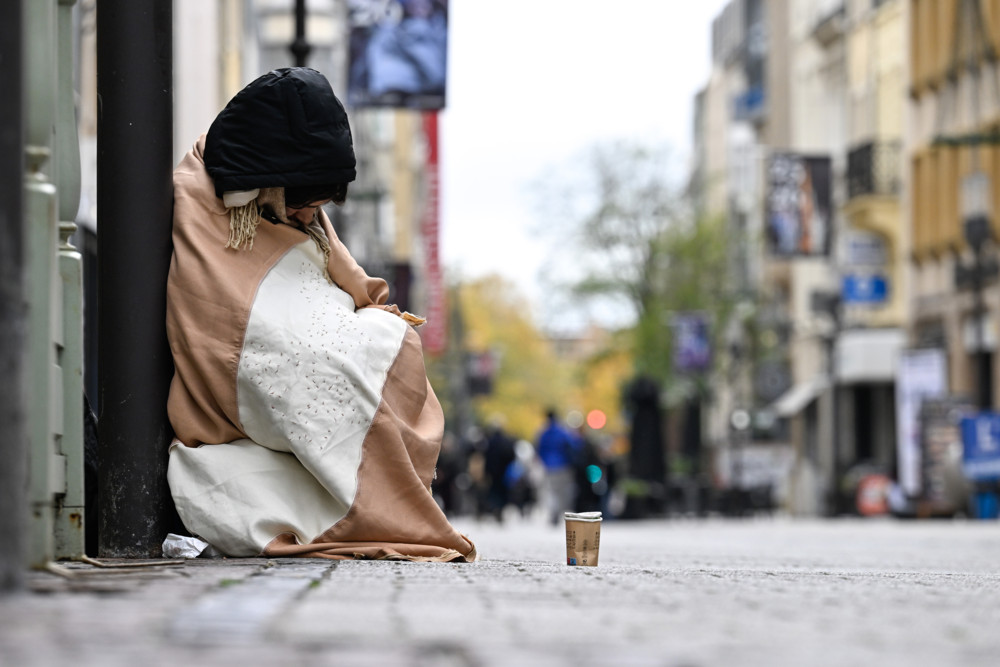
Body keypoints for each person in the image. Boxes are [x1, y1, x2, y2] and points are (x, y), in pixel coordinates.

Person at [165, 67, 476, 562]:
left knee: (387, 342)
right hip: (231, 423)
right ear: (267, 184)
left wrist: (375, 322)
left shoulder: (276, 190)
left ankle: (375, 495)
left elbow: (352, 282)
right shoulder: (208, 200)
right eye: (306, 204)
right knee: (326, 370)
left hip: (309, 344)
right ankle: (372, 503)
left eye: (320, 206)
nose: (312, 215)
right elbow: (236, 320)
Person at [534, 409, 581, 525]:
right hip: (563, 465)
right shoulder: (563, 432)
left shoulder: (544, 433)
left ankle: (553, 512)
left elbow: (539, 449)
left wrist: (544, 461)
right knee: (562, 491)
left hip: (549, 466)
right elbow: (574, 446)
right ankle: (559, 511)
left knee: (551, 491)